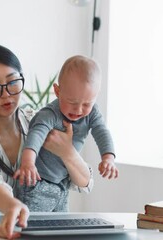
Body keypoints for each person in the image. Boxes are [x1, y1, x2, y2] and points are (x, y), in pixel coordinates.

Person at [0, 44, 93, 239]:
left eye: (13, 82)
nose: (6, 94)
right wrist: (13, 206)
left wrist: (68, 153)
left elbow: (84, 184)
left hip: (31, 231)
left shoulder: (39, 123)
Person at [14, 55, 119, 212]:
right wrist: (28, 163)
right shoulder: (50, 114)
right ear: (57, 91)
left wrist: (108, 158)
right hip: (37, 183)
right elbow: (36, 135)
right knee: (31, 225)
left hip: (62, 185)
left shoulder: (92, 113)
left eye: (87, 104)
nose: (78, 110)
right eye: (72, 102)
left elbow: (102, 131)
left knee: (61, 226)